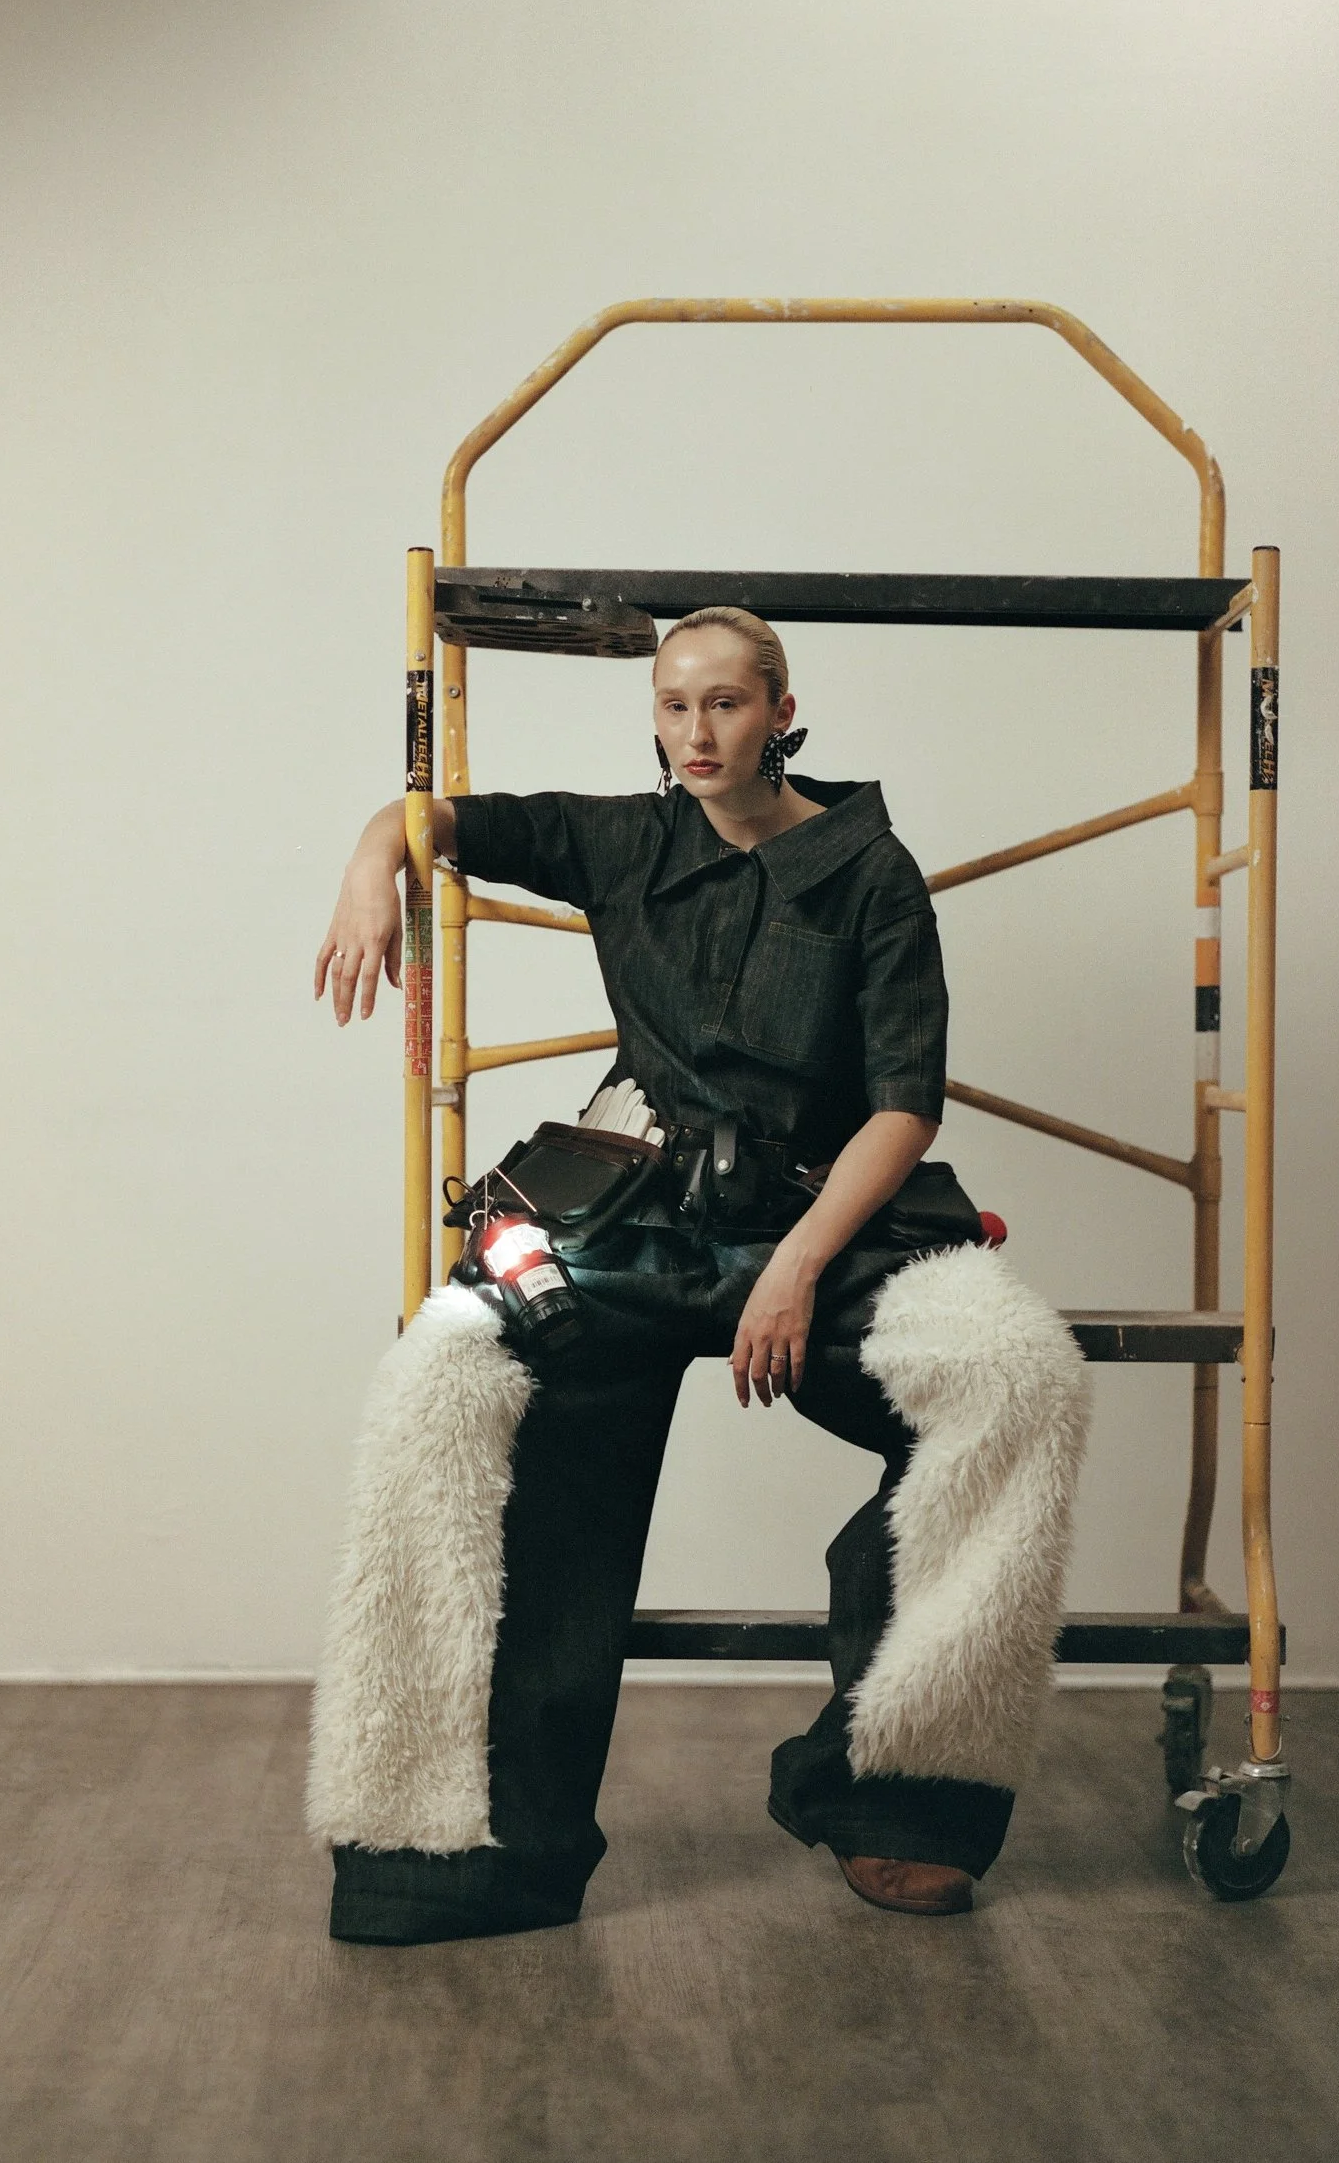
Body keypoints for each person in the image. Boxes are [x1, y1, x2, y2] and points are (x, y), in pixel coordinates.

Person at [305, 606, 1090, 1946]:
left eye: (724, 704)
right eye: (673, 706)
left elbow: (906, 1104)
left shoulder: (871, 871)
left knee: (1015, 1383)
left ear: (783, 711)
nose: (695, 733)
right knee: (448, 1381)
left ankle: (892, 1794)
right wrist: (371, 864)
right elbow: (430, 817)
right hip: (635, 1218)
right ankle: (461, 1846)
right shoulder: (625, 838)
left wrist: (795, 1269)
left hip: (822, 1223)